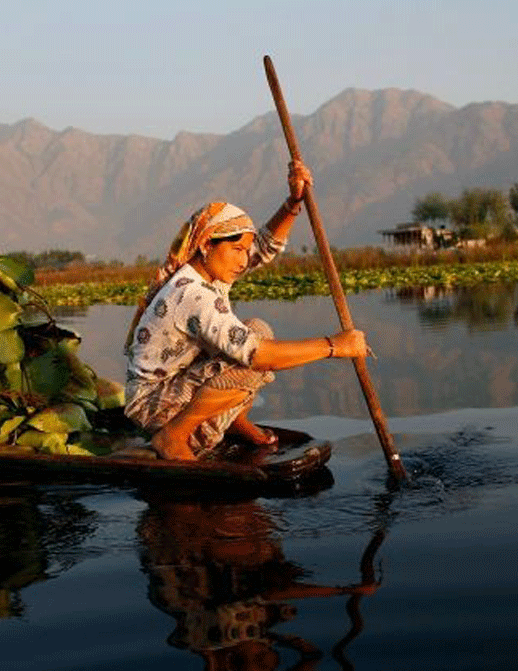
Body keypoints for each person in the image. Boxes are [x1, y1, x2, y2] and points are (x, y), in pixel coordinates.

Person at [123, 160, 369, 461]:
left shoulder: (209, 273)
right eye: (236, 250)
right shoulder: (193, 293)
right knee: (252, 360)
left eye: (244, 251)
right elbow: (258, 355)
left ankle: (234, 422)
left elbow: (265, 245)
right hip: (153, 404)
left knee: (258, 328)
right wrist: (334, 346)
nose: (243, 261)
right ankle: (172, 436)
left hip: (178, 383)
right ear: (206, 246)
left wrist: (293, 203)